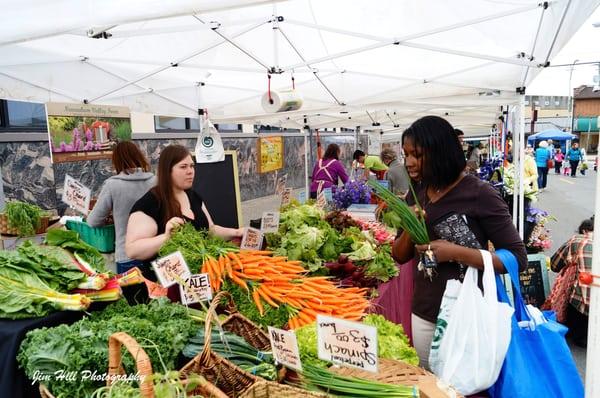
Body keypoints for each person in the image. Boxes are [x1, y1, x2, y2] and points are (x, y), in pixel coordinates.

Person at [391, 115, 527, 369]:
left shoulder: (480, 193)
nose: (408, 162)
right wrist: (411, 225)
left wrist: (455, 253)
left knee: (462, 388)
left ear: (440, 152)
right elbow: (399, 256)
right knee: (429, 385)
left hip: (469, 313)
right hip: (425, 310)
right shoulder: (417, 191)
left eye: (416, 155)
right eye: (405, 154)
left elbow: (517, 259)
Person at [126, 145, 244, 280]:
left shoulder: (193, 196)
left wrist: (236, 232)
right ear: (167, 171)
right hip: (167, 285)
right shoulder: (151, 203)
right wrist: (166, 237)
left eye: (192, 166)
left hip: (201, 278)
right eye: (183, 167)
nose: (190, 172)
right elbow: (132, 250)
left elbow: (210, 230)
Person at [87, 141, 156, 274]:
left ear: (116, 161)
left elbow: (93, 221)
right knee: (158, 294)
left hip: (126, 255)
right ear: (139, 156)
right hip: (155, 252)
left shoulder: (112, 185)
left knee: (130, 295)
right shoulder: (155, 181)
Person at [546, 217, 594, 348]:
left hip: (585, 306)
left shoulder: (578, 240)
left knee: (574, 274)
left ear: (584, 230)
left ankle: (578, 332)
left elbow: (555, 264)